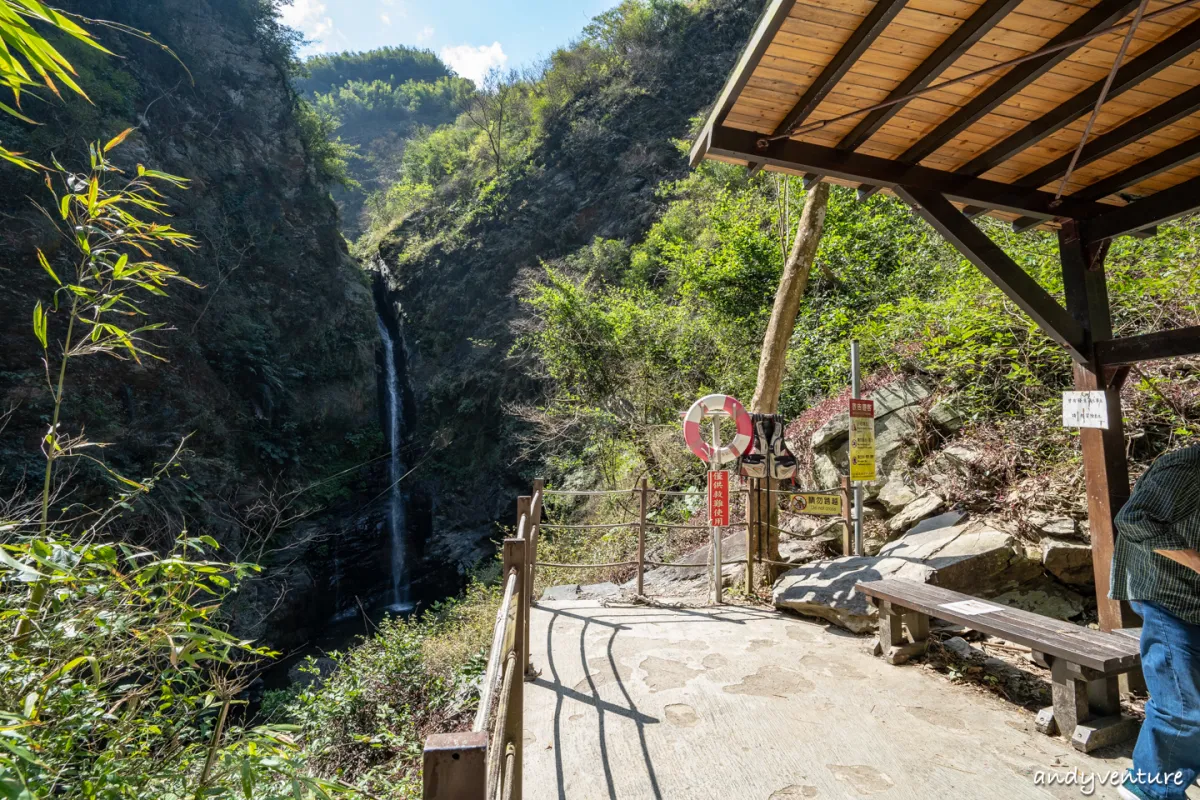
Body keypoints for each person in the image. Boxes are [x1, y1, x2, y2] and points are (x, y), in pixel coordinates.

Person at [1112, 444, 1200, 800]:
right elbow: (1133, 519)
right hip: (1168, 595)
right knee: (1183, 705)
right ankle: (1150, 789)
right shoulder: (1188, 466)